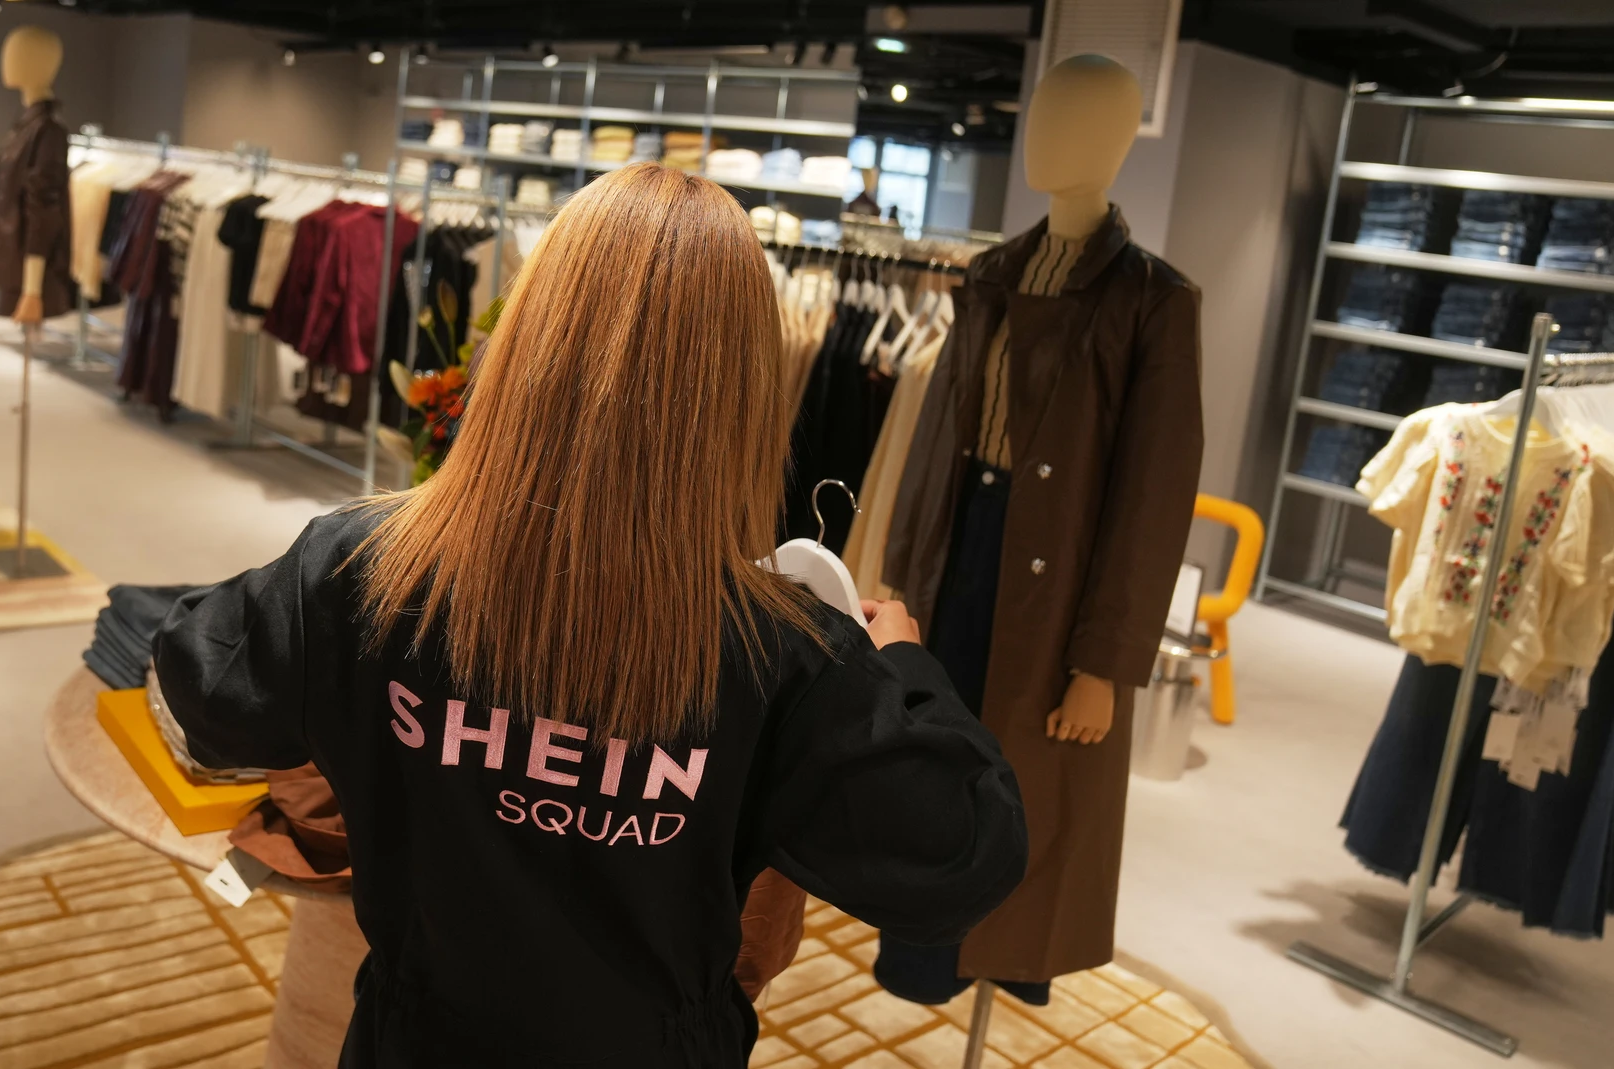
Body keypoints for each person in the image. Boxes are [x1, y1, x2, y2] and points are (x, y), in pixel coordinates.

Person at [154, 162, 1027, 1068]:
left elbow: (198, 682)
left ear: (524, 341)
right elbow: (966, 855)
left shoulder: (361, 569)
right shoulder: (786, 656)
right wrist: (904, 668)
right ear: (742, 395)